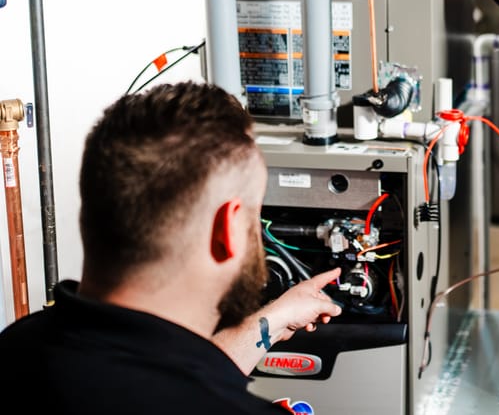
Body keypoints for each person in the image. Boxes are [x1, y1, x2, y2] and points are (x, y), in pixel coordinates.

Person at [0, 81, 342, 413]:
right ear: (228, 229)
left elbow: (164, 376)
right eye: (255, 215)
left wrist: (274, 319)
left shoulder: (17, 347)